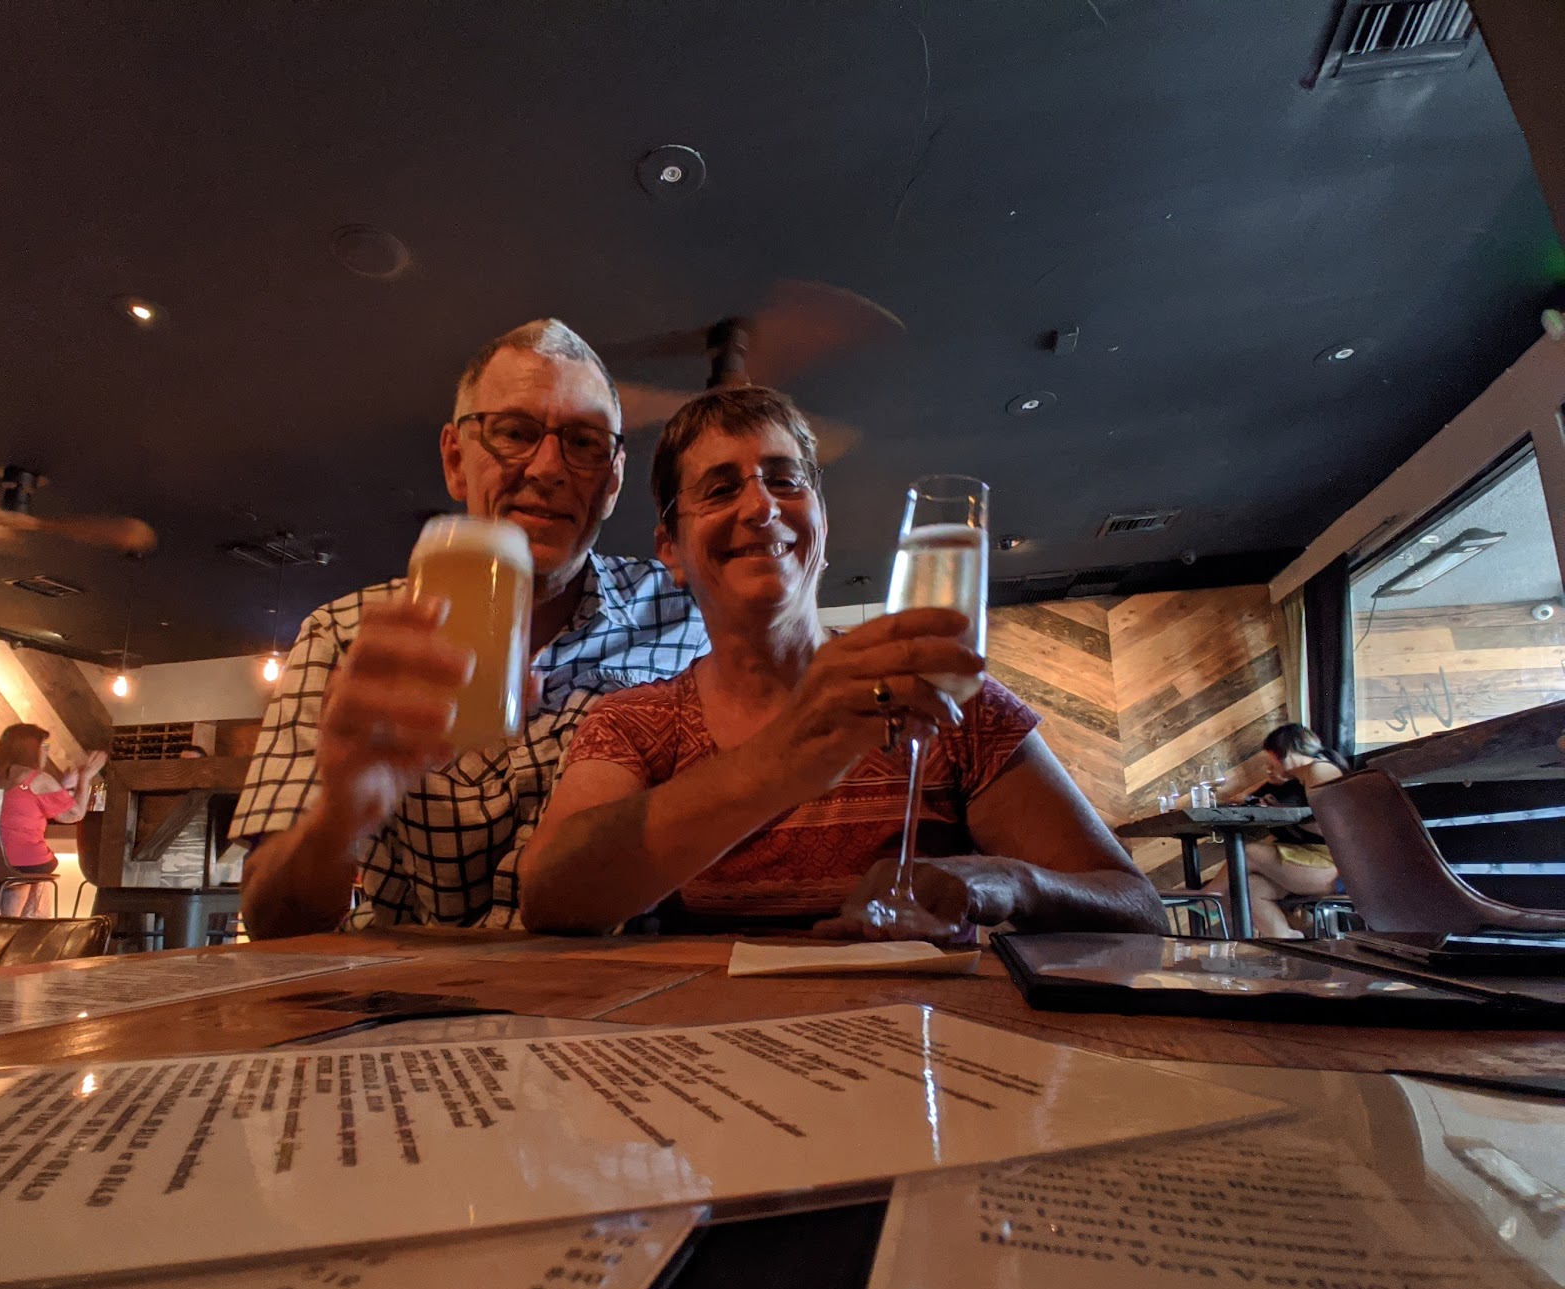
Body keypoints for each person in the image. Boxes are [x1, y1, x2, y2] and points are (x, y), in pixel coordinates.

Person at [518, 386, 1165, 939]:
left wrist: (1003, 880)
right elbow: (550, 898)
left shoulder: (941, 698)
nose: (761, 506)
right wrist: (782, 760)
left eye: (785, 480)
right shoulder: (636, 723)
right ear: (672, 550)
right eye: (720, 488)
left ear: (821, 525)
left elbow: (1136, 906)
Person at [232, 319, 707, 936]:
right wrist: (338, 818)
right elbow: (270, 920)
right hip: (407, 987)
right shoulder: (346, 637)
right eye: (514, 433)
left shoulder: (685, 613)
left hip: (617, 984)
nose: (548, 468)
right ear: (456, 460)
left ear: (612, 480)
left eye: (584, 443)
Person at [0, 723, 108, 916]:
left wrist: (62, 787)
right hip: (22, 861)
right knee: (40, 866)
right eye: (44, 747)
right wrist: (85, 778)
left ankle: (6, 918)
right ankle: (26, 923)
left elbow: (17, 807)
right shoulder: (37, 779)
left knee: (21, 874)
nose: (46, 752)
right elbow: (75, 814)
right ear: (30, 750)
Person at [1242, 723, 1347, 939]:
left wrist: (1283, 815)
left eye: (1271, 758)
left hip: (1341, 869)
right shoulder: (1308, 774)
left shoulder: (1320, 770)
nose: (1269, 765)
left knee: (1246, 853)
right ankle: (1288, 947)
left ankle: (1210, 899)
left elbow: (1332, 829)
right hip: (1325, 864)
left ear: (1286, 753)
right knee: (1252, 887)